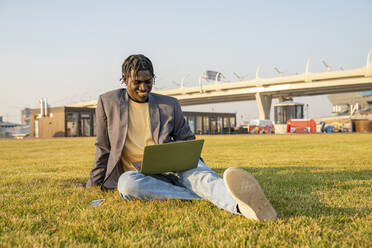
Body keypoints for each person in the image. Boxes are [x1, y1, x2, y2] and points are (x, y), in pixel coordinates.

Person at [84, 54, 277, 221]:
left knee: (200, 177)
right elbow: (103, 148)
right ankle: (209, 197)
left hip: (175, 167)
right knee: (126, 185)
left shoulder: (169, 105)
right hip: (140, 176)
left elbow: (186, 139)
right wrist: (93, 183)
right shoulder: (108, 102)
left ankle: (240, 207)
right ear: (125, 79)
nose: (143, 87)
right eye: (137, 82)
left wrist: (196, 164)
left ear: (153, 79)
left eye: (148, 81)